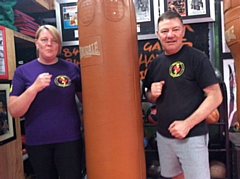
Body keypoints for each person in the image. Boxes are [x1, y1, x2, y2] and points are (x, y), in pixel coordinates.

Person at [143, 11, 222, 179]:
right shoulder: (155, 64)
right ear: (158, 34)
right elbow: (149, 96)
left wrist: (187, 124)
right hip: (164, 135)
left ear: (183, 31)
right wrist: (152, 94)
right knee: (175, 176)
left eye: (175, 29)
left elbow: (215, 96)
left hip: (192, 136)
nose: (170, 35)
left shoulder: (197, 58)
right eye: (164, 31)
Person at [8, 25, 83, 179]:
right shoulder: (22, 72)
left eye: (54, 40)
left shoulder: (72, 69)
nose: (49, 44)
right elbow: (14, 111)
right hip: (38, 142)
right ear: (36, 43)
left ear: (59, 45)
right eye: (44, 40)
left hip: (69, 140)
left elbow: (88, 103)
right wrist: (34, 88)